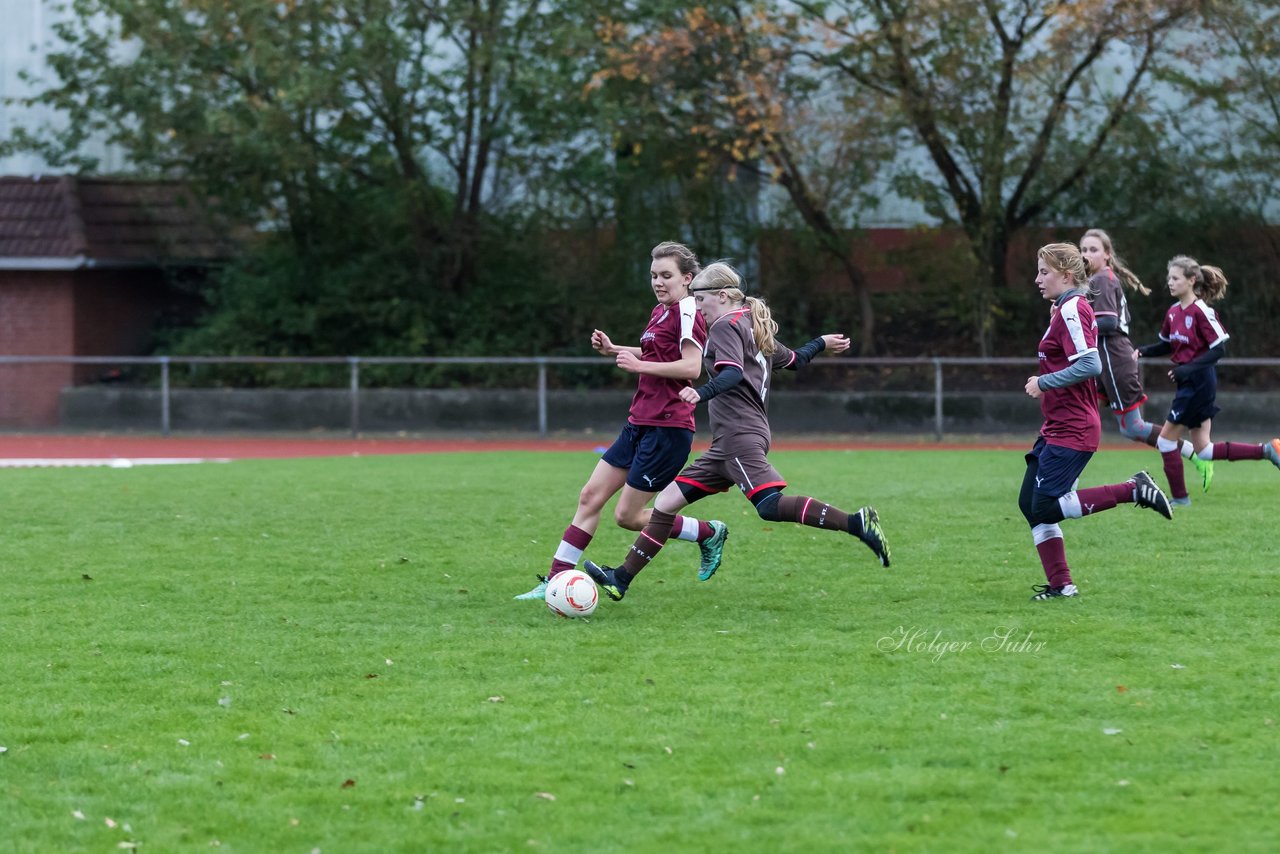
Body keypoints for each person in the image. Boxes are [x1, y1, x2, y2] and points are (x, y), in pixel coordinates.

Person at [580, 261, 889, 603]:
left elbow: (730, 375)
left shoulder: (726, 326)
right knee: (666, 503)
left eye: (701, 299)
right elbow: (795, 360)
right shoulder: (751, 324)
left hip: (739, 437)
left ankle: (858, 523)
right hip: (729, 442)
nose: (697, 308)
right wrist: (820, 342)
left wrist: (700, 393)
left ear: (723, 296)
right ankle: (620, 579)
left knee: (769, 505)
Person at [515, 242, 730, 601]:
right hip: (639, 422)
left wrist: (639, 365)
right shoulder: (660, 311)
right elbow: (655, 352)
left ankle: (706, 532)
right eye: (653, 276)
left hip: (668, 428)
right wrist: (616, 350)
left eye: (666, 276)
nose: (658, 282)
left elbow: (692, 367)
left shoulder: (689, 310)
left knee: (628, 517)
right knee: (589, 497)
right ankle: (555, 581)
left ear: (687, 279)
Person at [1020, 243, 1174, 602]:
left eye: (1044, 272)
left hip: (1073, 429)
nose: (1037, 279)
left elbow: (1091, 365)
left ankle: (1133, 489)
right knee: (1030, 504)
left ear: (1067, 275)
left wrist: (1043, 382)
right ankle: (1062, 585)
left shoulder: (1073, 307)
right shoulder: (1063, 308)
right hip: (1058, 426)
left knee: (1044, 506)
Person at [1080, 229, 1211, 504]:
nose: (1086, 255)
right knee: (1082, 412)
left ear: (1107, 255)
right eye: (1083, 250)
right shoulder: (1097, 279)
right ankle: (1067, 477)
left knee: (1133, 428)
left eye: (1093, 249)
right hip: (1104, 360)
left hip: (1114, 358)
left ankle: (1190, 453)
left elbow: (1108, 323)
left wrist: (1075, 319)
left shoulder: (1102, 280)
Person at [1132, 255, 1280, 480]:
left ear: (1191, 280)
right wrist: (1141, 351)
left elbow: (1219, 348)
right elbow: (1167, 344)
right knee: (1205, 450)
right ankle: (1267, 450)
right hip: (1187, 383)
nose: (1169, 282)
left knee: (1165, 440)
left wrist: (1186, 369)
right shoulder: (1173, 311)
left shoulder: (1202, 311)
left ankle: (1180, 498)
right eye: (1168, 278)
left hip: (1198, 384)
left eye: (1175, 278)